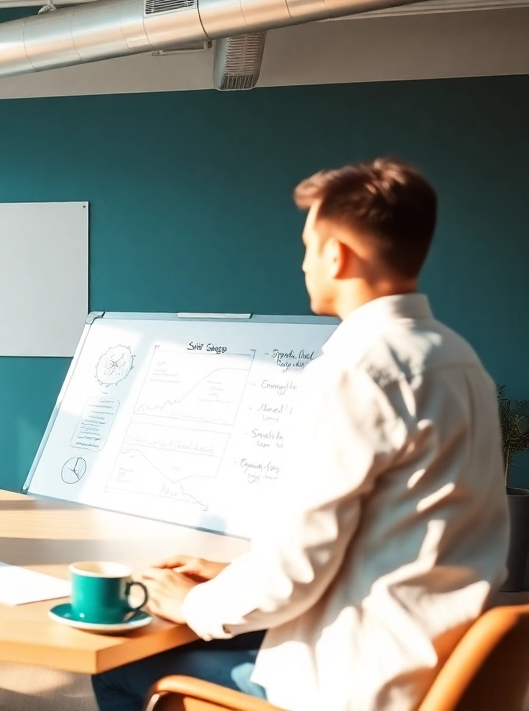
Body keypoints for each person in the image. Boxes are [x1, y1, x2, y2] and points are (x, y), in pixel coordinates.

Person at [92, 158, 509, 711]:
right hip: (435, 661)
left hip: (348, 684)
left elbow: (296, 573)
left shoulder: (357, 367)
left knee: (121, 667)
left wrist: (192, 602)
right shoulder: (458, 359)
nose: (305, 263)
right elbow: (392, 531)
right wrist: (236, 572)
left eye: (308, 246)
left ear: (337, 255)